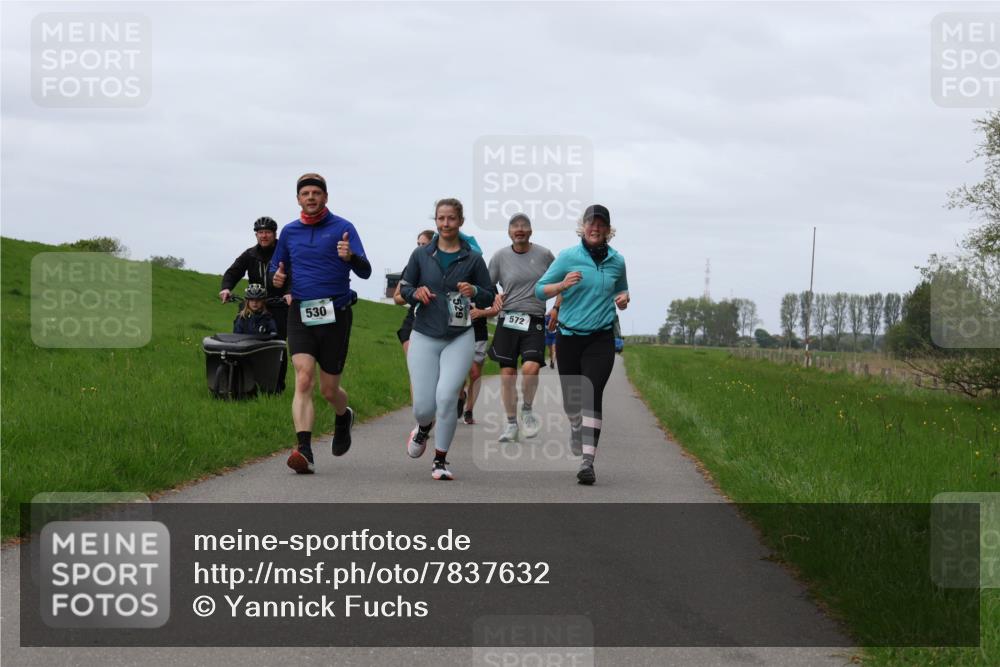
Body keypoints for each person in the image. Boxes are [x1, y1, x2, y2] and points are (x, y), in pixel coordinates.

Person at [270, 173, 371, 474]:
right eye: (305, 194)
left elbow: (365, 271)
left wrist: (350, 255)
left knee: (329, 390)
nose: (311, 197)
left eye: (316, 193)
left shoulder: (343, 228)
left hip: (335, 313)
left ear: (325, 197)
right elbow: (279, 269)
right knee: (303, 378)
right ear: (298, 199)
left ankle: (343, 415)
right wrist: (277, 279)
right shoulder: (289, 232)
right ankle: (304, 450)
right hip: (300, 311)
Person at [398, 198, 494, 480]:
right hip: (425, 333)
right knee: (424, 406)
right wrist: (415, 293)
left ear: (460, 221)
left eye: (451, 218)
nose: (446, 224)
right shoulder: (421, 256)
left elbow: (489, 293)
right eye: (441, 218)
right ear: (436, 221)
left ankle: (440, 460)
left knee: (448, 396)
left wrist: (474, 289)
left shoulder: (473, 258)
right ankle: (423, 427)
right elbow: (404, 286)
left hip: (459, 335)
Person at [535, 204, 629, 485]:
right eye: (591, 223)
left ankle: (588, 462)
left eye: (601, 224)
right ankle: (576, 426)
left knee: (592, 394)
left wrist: (623, 299)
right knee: (572, 401)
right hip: (569, 337)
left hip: (601, 337)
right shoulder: (567, 257)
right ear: (583, 226)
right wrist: (561, 285)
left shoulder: (617, 261)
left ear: (608, 230)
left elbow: (622, 289)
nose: (595, 228)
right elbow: (540, 289)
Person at [481, 213, 555, 442]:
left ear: (531, 231)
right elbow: (486, 285)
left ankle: (527, 410)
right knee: (507, 374)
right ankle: (511, 424)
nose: (519, 229)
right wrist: (494, 298)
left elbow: (561, 280)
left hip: (534, 318)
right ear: (509, 232)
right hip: (508, 319)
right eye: (515, 226)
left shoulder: (544, 255)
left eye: (524, 226)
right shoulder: (500, 257)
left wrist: (557, 308)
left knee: (531, 368)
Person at [220, 216, 289, 390]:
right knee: (240, 341)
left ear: (274, 234)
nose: (264, 236)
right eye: (260, 232)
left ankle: (276, 387)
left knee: (278, 345)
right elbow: (233, 272)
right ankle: (240, 383)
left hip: (279, 305)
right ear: (256, 235)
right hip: (252, 303)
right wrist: (226, 288)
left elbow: (295, 275)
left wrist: (289, 293)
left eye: (267, 232)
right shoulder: (249, 254)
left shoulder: (285, 253)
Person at [394, 230, 436, 354]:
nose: (420, 248)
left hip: (436, 320)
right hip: (414, 319)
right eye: (418, 244)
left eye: (424, 244)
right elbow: (397, 298)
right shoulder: (411, 267)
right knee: (415, 368)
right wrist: (414, 294)